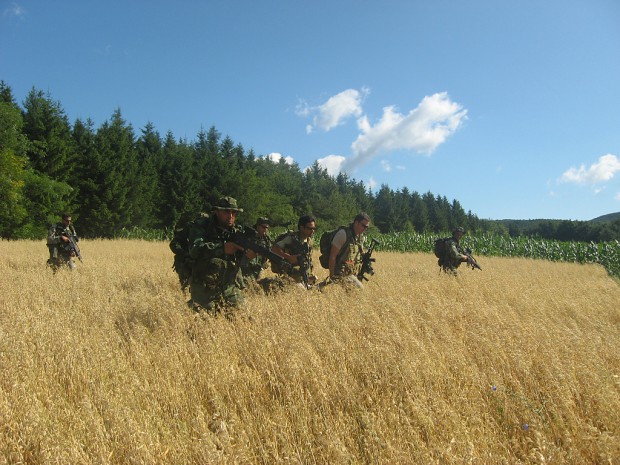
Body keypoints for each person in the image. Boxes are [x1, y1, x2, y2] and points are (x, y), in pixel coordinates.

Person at [187, 196, 254, 314]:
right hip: (205, 288)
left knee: (244, 320)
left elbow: (239, 261)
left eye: (234, 213)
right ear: (217, 212)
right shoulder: (202, 226)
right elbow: (194, 250)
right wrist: (222, 248)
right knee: (203, 323)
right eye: (226, 212)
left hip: (230, 288)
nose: (231, 216)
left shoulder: (236, 232)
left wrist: (248, 255)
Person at [326, 212, 372, 289]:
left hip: (352, 274)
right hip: (341, 274)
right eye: (363, 226)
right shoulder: (343, 234)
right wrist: (332, 277)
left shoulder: (360, 238)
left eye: (366, 227)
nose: (365, 229)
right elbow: (332, 256)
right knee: (360, 289)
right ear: (356, 223)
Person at [271, 214, 317, 288]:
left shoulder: (309, 241)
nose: (312, 231)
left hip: (302, 277)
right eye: (310, 228)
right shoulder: (291, 238)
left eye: (314, 228)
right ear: (302, 228)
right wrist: (289, 257)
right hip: (289, 276)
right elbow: (274, 249)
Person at [240, 217, 273, 285]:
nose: (265, 230)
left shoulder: (266, 239)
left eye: (267, 228)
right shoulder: (249, 236)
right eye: (263, 227)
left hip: (258, 268)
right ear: (257, 226)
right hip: (246, 268)